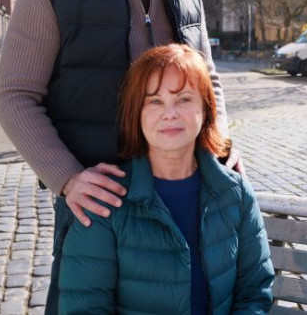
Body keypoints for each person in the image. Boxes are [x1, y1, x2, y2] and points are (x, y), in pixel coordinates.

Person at [0, 0, 239, 314]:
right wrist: (67, 178)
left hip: (181, 189)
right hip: (98, 201)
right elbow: (15, 96)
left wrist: (220, 142)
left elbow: (207, 78)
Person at [58, 44, 274, 314]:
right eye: (155, 101)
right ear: (136, 114)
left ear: (206, 109)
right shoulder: (105, 202)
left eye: (183, 99)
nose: (169, 113)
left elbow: (254, 291)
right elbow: (83, 308)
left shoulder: (236, 193)